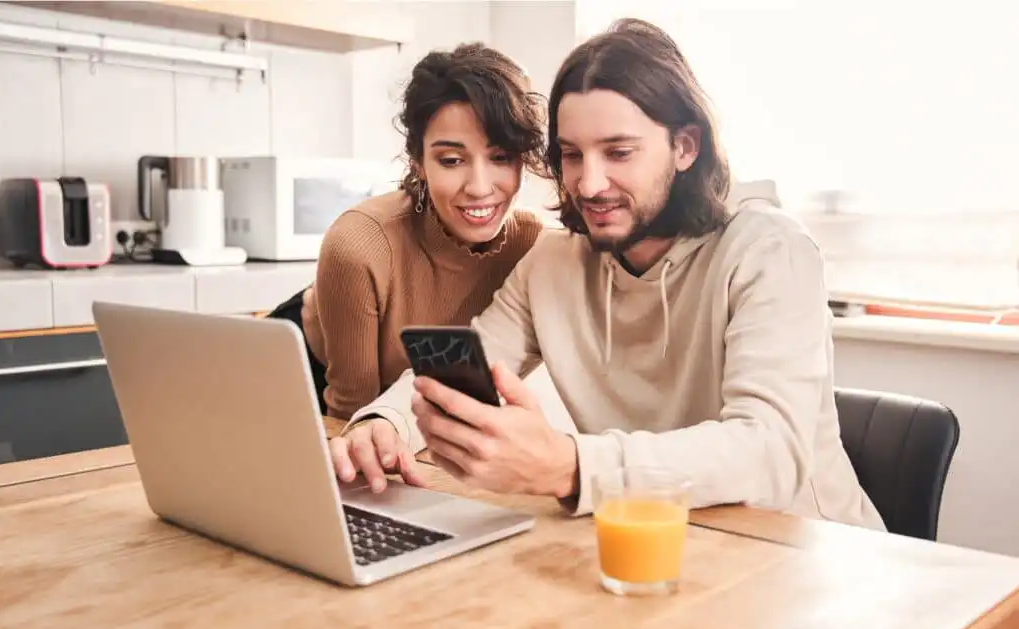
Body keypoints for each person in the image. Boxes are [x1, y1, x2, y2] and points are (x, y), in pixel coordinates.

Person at [328, 18, 885, 531]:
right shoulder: (554, 263)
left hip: (802, 555)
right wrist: (383, 424)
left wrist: (568, 467)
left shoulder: (768, 251)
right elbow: (470, 355)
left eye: (618, 152)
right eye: (572, 155)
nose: (589, 184)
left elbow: (768, 453)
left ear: (685, 147)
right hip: (647, 540)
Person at [266, 42, 548, 421]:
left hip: (405, 403)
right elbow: (350, 412)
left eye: (501, 158)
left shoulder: (532, 246)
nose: (480, 187)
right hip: (303, 378)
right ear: (418, 162)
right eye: (451, 160)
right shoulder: (361, 243)